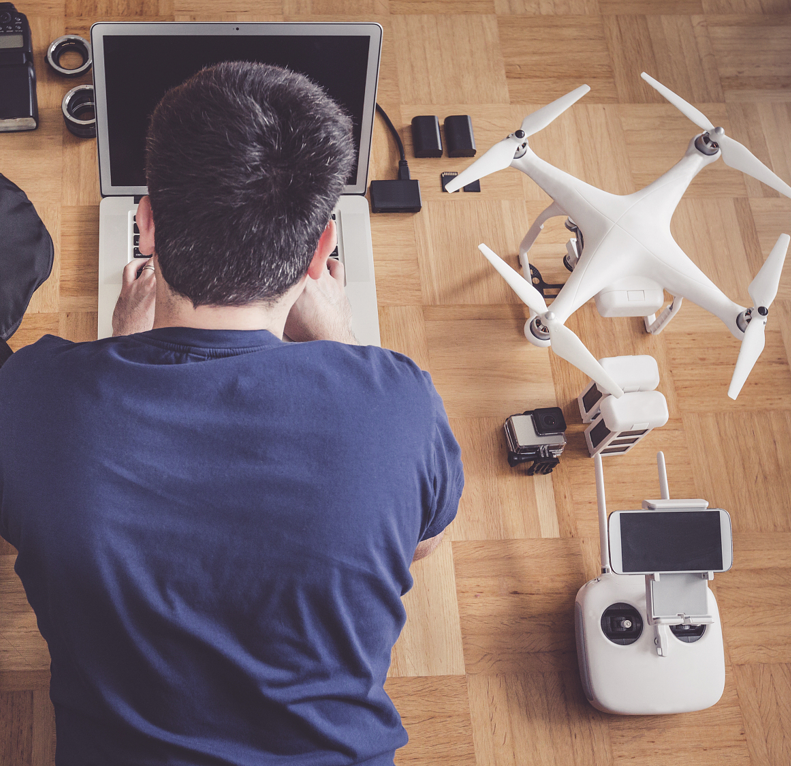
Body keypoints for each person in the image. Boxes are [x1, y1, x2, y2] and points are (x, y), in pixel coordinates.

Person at [0, 62, 463, 765]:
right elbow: (421, 545)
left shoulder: (28, 395)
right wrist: (343, 344)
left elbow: (24, 524)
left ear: (145, 224)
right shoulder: (399, 403)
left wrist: (116, 351)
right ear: (321, 250)